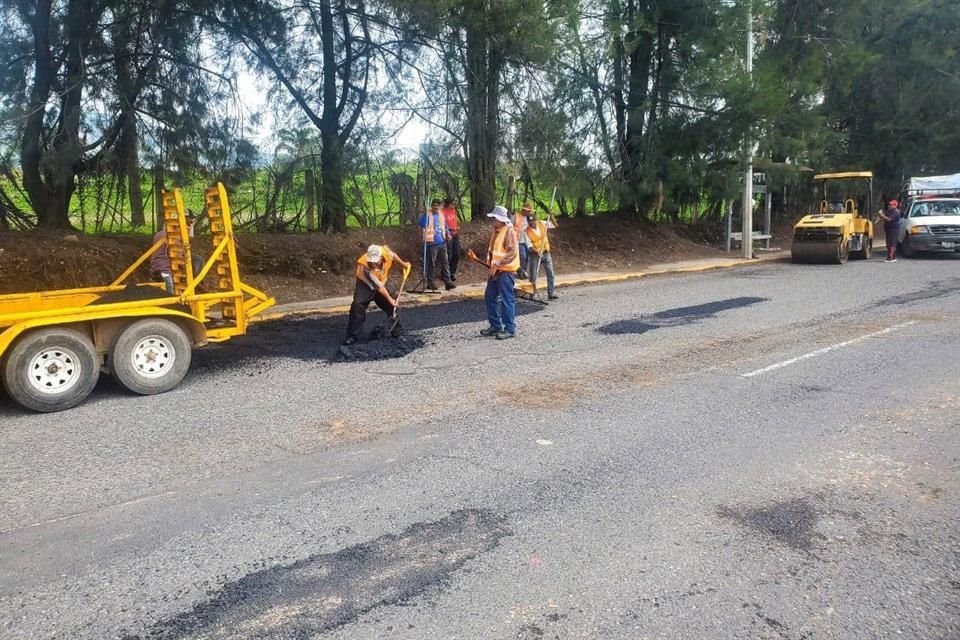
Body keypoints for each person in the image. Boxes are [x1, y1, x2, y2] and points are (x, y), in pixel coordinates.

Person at [344, 244, 412, 345]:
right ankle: (352, 336)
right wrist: (390, 299)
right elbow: (378, 287)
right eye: (371, 261)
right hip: (365, 284)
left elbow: (393, 255)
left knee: (392, 306)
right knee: (358, 305)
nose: (373, 264)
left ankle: (397, 333)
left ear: (380, 258)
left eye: (375, 262)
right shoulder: (365, 268)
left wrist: (404, 264)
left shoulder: (385, 252)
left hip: (381, 281)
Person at [481, 205, 520, 340]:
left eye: (494, 218)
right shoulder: (497, 231)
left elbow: (512, 252)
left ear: (501, 219)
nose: (492, 221)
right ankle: (495, 325)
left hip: (505, 271)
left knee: (506, 300)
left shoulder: (509, 231)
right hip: (495, 271)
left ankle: (509, 329)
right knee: (489, 297)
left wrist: (499, 262)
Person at [150, 212, 204, 294]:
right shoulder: (173, 239)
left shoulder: (159, 234)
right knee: (171, 294)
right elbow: (178, 259)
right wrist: (188, 272)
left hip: (156, 266)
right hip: (165, 269)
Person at [418, 199, 455, 290]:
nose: (435, 207)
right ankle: (430, 282)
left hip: (442, 242)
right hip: (431, 243)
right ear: (431, 206)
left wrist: (448, 233)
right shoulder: (428, 215)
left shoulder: (441, 214)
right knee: (431, 263)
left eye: (437, 206)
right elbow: (422, 224)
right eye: (434, 205)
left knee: (445, 262)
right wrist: (425, 214)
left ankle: (447, 281)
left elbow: (444, 225)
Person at [524, 206, 559, 300]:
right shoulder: (526, 232)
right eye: (530, 223)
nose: (532, 224)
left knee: (550, 273)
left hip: (546, 253)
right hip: (535, 255)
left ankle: (551, 293)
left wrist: (551, 215)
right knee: (533, 275)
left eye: (533, 222)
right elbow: (529, 247)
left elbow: (555, 225)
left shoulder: (542, 224)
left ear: (536, 220)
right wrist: (537, 251)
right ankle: (531, 294)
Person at [441, 197, 462, 281]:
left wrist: (457, 227)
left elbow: (455, 221)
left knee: (456, 254)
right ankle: (445, 273)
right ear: (448, 203)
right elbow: (443, 224)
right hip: (448, 234)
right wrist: (447, 232)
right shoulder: (443, 212)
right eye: (452, 203)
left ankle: (452, 272)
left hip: (455, 234)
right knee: (448, 255)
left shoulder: (454, 211)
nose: (454, 205)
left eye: (455, 203)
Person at [513, 202, 531, 279]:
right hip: (518, 240)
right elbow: (510, 226)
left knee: (527, 257)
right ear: (524, 210)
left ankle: (524, 272)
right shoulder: (516, 216)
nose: (529, 212)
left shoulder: (529, 218)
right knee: (522, 256)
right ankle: (521, 272)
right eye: (528, 211)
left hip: (527, 240)